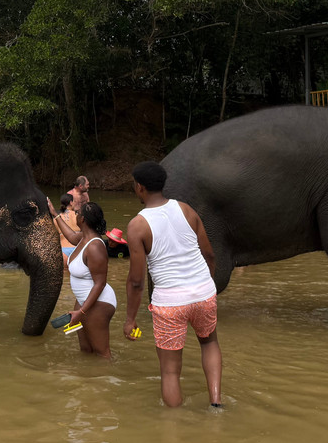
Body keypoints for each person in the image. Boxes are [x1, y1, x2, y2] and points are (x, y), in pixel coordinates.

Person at [124, 161, 222, 408]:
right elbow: (209, 254)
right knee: (209, 343)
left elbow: (136, 281)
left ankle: (175, 425)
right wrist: (207, 286)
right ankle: (216, 403)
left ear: (140, 187)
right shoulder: (186, 210)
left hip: (170, 303)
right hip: (203, 293)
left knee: (169, 371)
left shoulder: (137, 225)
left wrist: (130, 319)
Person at [53, 201, 116, 358]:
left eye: (78, 213)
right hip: (83, 302)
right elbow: (70, 236)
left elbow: (100, 283)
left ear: (83, 220)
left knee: (102, 354)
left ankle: (107, 374)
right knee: (86, 350)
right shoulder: (83, 238)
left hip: (98, 303)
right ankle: (86, 374)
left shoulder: (94, 247)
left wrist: (82, 311)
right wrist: (55, 214)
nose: (75, 215)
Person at [54, 193, 79, 270]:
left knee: (64, 275)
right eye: (74, 201)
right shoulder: (78, 216)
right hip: (77, 249)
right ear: (71, 202)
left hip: (63, 251)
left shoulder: (56, 218)